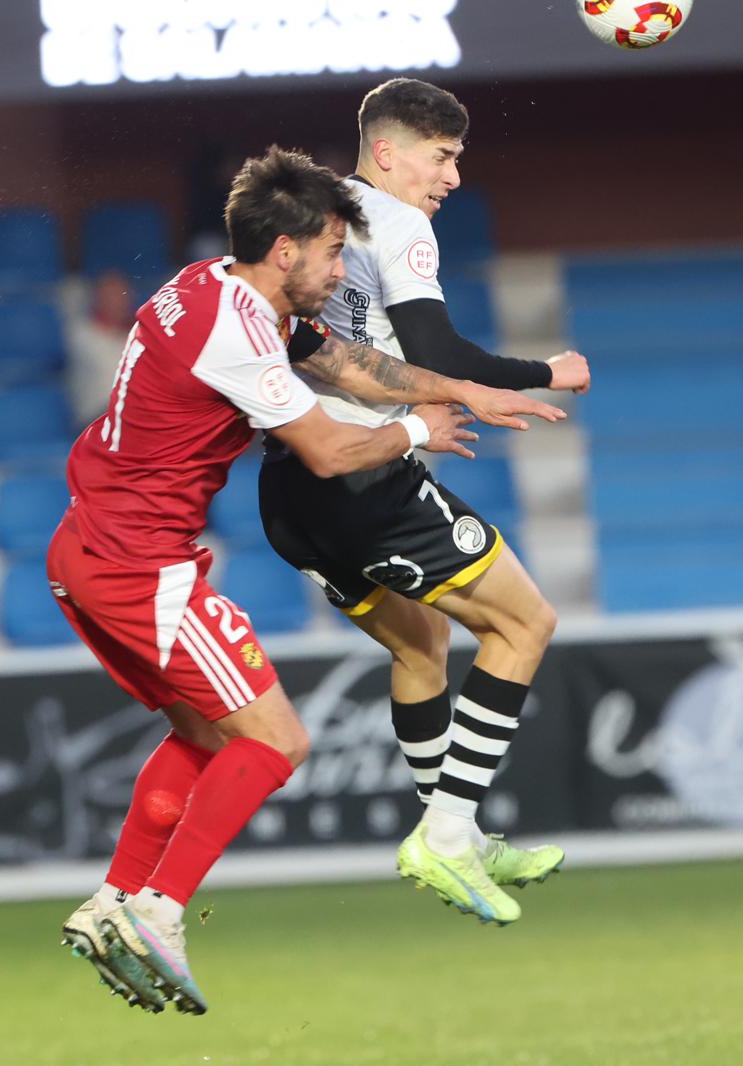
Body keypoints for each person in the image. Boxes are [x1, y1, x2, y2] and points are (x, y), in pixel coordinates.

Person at [50, 146, 565, 1015]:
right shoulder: (238, 331)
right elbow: (328, 450)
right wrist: (415, 434)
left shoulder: (209, 285)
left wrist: (465, 391)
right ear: (285, 250)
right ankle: (159, 911)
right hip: (142, 565)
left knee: (205, 738)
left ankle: (115, 899)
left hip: (89, 554)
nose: (340, 269)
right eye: (331, 251)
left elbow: (347, 364)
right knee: (278, 742)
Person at [257, 78, 590, 927]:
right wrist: (543, 372)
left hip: (293, 487)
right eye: (441, 158)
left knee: (420, 641)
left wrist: (411, 414)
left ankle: (459, 831)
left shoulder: (317, 224)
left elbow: (338, 350)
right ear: (388, 151)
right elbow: (437, 345)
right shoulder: (396, 222)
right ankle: (446, 834)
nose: (450, 178)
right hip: (369, 483)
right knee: (526, 626)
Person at [65, 270, 137, 426]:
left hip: (133, 416)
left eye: (123, 296)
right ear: (98, 299)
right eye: (111, 296)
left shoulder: (138, 332)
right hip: (95, 421)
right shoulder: (81, 334)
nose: (118, 302)